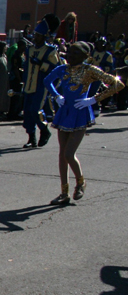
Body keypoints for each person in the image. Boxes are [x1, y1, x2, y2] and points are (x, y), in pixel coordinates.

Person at [43, 42, 124, 205]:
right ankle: (64, 192)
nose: (69, 56)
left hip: (80, 114)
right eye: (69, 53)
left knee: (68, 153)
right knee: (61, 154)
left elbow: (118, 84)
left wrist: (94, 99)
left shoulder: (89, 70)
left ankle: (80, 182)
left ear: (84, 56)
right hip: (65, 112)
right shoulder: (63, 69)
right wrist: (56, 96)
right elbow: (47, 80)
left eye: (74, 54)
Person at [21, 14, 60, 148]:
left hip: (41, 85)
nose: (35, 37)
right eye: (35, 34)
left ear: (44, 36)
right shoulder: (29, 49)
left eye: (38, 35)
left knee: (36, 110)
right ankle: (31, 138)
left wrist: (41, 64)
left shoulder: (50, 50)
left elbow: (55, 68)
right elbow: (26, 68)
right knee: (27, 112)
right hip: (28, 85)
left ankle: (44, 130)